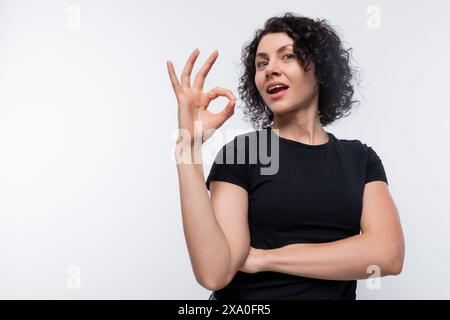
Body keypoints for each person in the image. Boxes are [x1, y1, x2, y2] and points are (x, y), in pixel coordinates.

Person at [167, 12, 405, 300]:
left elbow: (387, 256)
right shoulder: (244, 153)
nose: (270, 69)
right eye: (262, 63)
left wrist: (266, 259)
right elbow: (214, 272)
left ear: (320, 70)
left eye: (287, 56)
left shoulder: (360, 158)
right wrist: (188, 148)